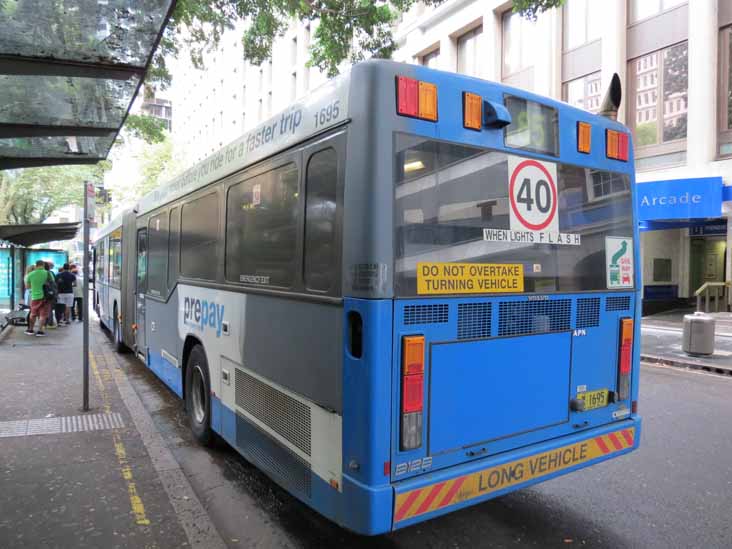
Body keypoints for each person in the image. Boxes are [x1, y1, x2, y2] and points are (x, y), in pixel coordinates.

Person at [24, 260, 51, 336]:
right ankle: (40, 331)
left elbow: (27, 287)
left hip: (35, 297)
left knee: (33, 314)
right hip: (46, 297)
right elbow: (53, 283)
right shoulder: (47, 273)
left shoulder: (30, 274)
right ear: (43, 265)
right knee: (43, 315)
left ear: (36, 265)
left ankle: (31, 330)